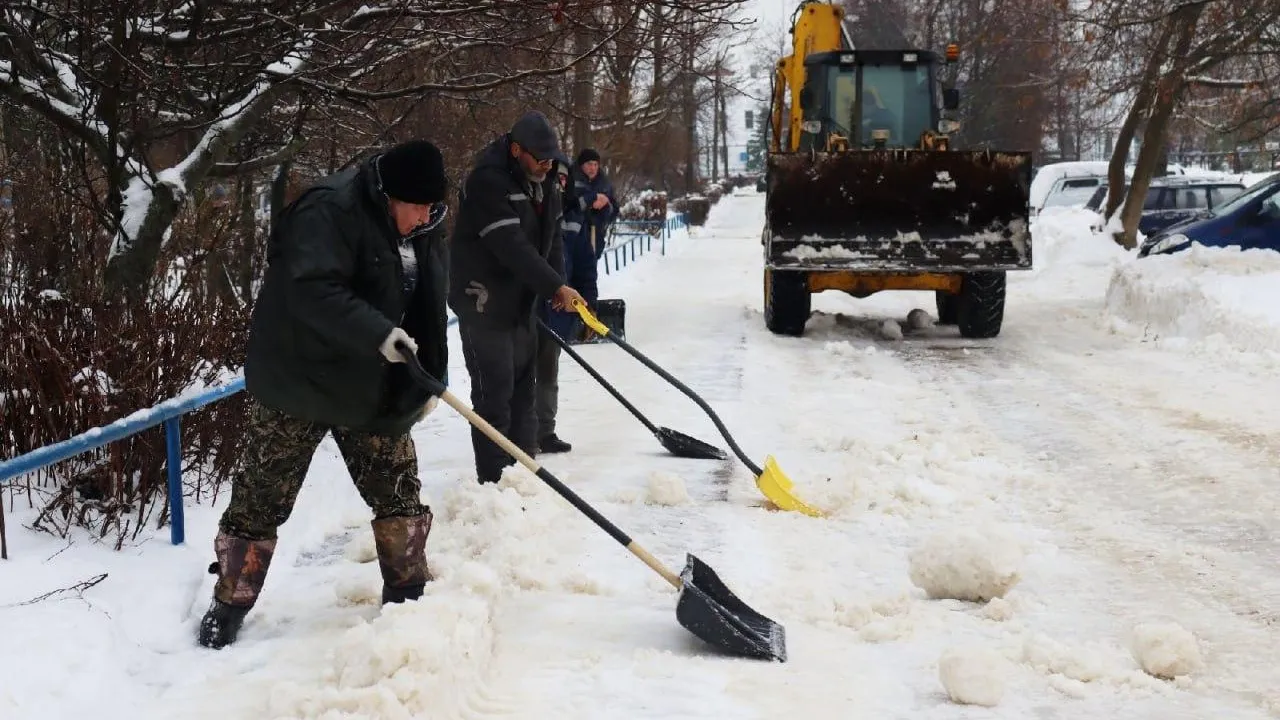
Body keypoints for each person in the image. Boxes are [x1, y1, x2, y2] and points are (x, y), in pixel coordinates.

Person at [196, 139, 452, 650]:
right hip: (300, 379)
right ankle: (229, 602)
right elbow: (310, 289)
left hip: (371, 380)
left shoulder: (422, 225)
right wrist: (377, 333)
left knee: (396, 488)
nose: (425, 218)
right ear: (389, 195)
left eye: (432, 209)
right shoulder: (328, 210)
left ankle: (409, 597)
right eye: (418, 208)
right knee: (260, 497)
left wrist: (427, 380)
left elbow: (426, 298)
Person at [448, 111, 586, 484]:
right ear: (515, 150)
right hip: (483, 303)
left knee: (525, 393)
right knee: (495, 397)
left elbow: (552, 239)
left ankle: (523, 479)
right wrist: (553, 287)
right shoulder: (487, 183)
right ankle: (494, 485)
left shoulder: (545, 183)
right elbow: (511, 246)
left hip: (522, 304)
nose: (546, 165)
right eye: (539, 158)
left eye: (550, 159)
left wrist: (556, 286)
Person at [535, 154, 600, 454]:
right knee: (519, 373)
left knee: (548, 372)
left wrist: (590, 306)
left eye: (564, 179)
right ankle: (517, 433)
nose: (560, 184)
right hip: (527, 308)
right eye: (554, 179)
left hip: (558, 312)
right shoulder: (531, 213)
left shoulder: (573, 219)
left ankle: (545, 432)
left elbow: (586, 265)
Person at [571, 148, 619, 260]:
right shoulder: (572, 179)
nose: (592, 168)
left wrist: (606, 205)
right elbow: (569, 206)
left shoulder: (604, 184)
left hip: (596, 238)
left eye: (595, 164)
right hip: (575, 239)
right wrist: (589, 203)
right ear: (581, 165)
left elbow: (614, 209)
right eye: (589, 164)